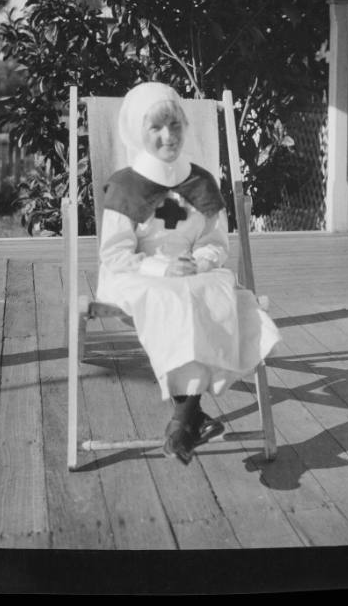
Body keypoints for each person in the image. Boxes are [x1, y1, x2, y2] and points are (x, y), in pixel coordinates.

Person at [96, 82, 280, 465]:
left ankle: (185, 419)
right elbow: (115, 254)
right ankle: (190, 417)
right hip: (138, 273)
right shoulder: (125, 186)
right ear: (136, 131)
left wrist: (203, 261)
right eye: (156, 128)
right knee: (174, 299)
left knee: (220, 291)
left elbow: (215, 241)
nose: (169, 136)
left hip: (194, 272)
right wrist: (163, 267)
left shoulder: (201, 181)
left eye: (175, 125)